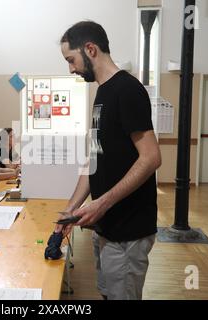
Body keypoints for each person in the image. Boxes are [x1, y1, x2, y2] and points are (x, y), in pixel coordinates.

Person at [57, 21, 162, 300]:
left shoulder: (127, 90)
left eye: (71, 60)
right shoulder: (102, 92)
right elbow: (93, 159)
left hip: (128, 229)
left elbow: (151, 157)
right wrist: (71, 209)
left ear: (90, 49)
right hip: (106, 226)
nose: (71, 69)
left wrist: (101, 203)